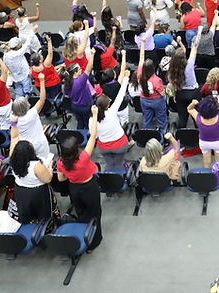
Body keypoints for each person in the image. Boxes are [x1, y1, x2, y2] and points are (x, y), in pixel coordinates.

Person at [56, 121, 103, 251]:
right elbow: (93, 136)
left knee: (81, 214)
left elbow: (61, 178)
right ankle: (93, 242)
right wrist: (94, 116)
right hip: (89, 188)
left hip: (74, 189)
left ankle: (83, 236)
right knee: (95, 213)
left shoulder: (61, 163)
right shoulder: (83, 158)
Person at [8, 121, 54, 222]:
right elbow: (48, 179)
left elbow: (14, 138)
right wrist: (50, 167)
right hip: (38, 193)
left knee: (27, 215)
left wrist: (13, 123)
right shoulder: (36, 166)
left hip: (21, 191)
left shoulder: (13, 159)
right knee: (43, 216)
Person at [95, 64, 132, 171]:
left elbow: (95, 134)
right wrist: (126, 78)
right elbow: (120, 95)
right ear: (108, 105)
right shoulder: (112, 111)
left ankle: (109, 176)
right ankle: (120, 173)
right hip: (119, 144)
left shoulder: (92, 118)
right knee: (119, 161)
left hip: (103, 147)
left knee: (109, 163)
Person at [11, 78, 50, 162]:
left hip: (26, 148)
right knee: (46, 162)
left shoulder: (13, 120)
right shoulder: (32, 113)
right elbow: (42, 99)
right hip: (40, 144)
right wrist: (42, 81)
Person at [170, 37, 202, 128]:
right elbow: (194, 48)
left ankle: (181, 139)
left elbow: (172, 85)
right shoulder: (190, 64)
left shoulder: (171, 70)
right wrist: (199, 32)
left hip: (180, 94)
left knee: (182, 118)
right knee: (196, 117)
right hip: (193, 93)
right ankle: (199, 136)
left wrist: (174, 95)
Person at [188, 95, 219, 171]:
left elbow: (189, 109)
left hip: (204, 142)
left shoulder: (198, 118)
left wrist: (193, 103)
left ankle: (206, 177)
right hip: (218, 142)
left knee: (206, 162)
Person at [138, 45, 168, 133]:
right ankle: (162, 136)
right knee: (161, 118)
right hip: (157, 101)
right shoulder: (157, 80)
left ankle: (146, 134)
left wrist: (143, 45)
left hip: (144, 100)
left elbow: (141, 59)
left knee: (147, 119)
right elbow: (162, 94)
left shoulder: (139, 74)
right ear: (153, 69)